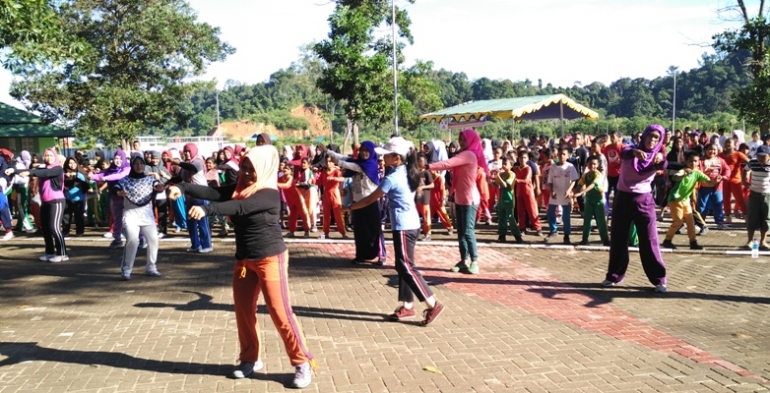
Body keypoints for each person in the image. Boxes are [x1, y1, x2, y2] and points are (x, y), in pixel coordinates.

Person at [168, 145, 316, 387]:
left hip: (270, 258)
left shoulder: (268, 192)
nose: (247, 173)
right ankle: (250, 359)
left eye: (252, 169)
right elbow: (213, 192)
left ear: (265, 168)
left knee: (281, 314)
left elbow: (239, 207)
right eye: (245, 167)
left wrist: (206, 210)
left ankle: (302, 362)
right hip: (244, 260)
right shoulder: (240, 187)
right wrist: (181, 186)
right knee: (243, 312)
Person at [345, 137, 445, 325]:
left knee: (406, 266)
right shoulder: (407, 171)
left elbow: (369, 199)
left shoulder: (393, 177)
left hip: (404, 226)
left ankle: (433, 304)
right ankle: (407, 306)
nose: (382, 158)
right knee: (403, 266)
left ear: (397, 158)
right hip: (411, 224)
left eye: (386, 156)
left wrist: (349, 208)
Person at [602, 124, 668, 293]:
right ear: (643, 136)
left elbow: (663, 164)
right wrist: (634, 153)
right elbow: (624, 153)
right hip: (623, 199)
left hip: (644, 201)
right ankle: (613, 276)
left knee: (649, 240)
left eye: (656, 138)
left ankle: (659, 279)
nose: (652, 140)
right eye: (650, 136)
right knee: (618, 239)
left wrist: (660, 159)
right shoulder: (629, 150)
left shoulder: (657, 156)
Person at [428, 129, 487, 275]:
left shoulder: (469, 155)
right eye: (460, 139)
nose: (461, 142)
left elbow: (448, 164)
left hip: (470, 199)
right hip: (460, 198)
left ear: (471, 141)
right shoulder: (463, 153)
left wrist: (428, 166)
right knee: (461, 232)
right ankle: (463, 260)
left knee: (467, 231)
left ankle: (474, 261)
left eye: (464, 140)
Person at [325, 142, 386, 265]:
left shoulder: (370, 164)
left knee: (375, 230)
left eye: (366, 150)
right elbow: (343, 157)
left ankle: (381, 255)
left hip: (371, 202)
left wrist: (337, 162)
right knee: (360, 231)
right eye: (362, 150)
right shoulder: (357, 162)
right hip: (358, 202)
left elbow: (351, 166)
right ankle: (362, 255)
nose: (364, 153)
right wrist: (328, 152)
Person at [5, 148, 68, 262]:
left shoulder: (57, 169)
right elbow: (28, 170)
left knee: (54, 228)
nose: (48, 158)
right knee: (45, 228)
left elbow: (43, 173)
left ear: (55, 157)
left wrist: (29, 172)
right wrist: (13, 170)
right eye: (46, 155)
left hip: (57, 201)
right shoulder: (42, 167)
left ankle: (62, 254)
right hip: (45, 202)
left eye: (51, 155)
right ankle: (50, 253)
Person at [115, 155, 166, 280]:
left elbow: (157, 186)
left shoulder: (150, 179)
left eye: (141, 163)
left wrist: (160, 188)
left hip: (147, 214)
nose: (139, 166)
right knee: (133, 240)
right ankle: (126, 270)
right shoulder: (124, 180)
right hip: (130, 214)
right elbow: (116, 188)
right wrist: (119, 193)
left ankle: (151, 267)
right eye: (136, 163)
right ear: (132, 165)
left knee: (153, 239)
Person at [662, 151, 721, 250]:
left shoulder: (697, 172)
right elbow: (675, 178)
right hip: (675, 200)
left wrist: (715, 181)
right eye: (690, 161)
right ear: (686, 161)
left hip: (685, 201)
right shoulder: (683, 170)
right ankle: (667, 241)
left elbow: (709, 182)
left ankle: (693, 242)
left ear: (698, 162)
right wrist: (684, 175)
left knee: (690, 222)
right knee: (678, 222)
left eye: (695, 161)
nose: (693, 163)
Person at [90, 151, 131, 249]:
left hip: (128, 198)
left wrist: (105, 178)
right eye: (116, 158)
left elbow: (120, 175)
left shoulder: (128, 168)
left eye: (120, 158)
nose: (117, 160)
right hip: (115, 197)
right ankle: (117, 239)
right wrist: (91, 176)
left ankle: (140, 239)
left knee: (131, 220)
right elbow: (100, 175)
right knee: (117, 219)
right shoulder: (111, 169)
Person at [178, 143, 213, 253]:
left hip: (200, 195)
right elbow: (178, 178)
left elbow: (192, 168)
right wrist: (164, 178)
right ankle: (195, 245)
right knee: (191, 221)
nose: (187, 154)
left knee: (202, 221)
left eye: (189, 151)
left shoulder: (198, 161)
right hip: (189, 196)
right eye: (185, 152)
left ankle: (206, 245)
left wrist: (177, 162)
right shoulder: (184, 166)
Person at [545, 147, 579, 244]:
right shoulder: (553, 167)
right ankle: (553, 230)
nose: (561, 156)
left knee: (566, 215)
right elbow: (550, 181)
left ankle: (567, 235)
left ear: (568, 156)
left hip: (565, 194)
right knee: (551, 212)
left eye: (564, 154)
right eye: (560, 154)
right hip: (555, 193)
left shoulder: (570, 167)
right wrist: (552, 190)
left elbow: (574, 180)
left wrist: (569, 190)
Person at [574, 156, 609, 246]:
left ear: (597, 165)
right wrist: (573, 193)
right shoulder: (585, 175)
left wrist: (581, 192)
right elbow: (579, 185)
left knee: (601, 221)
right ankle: (585, 239)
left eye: (594, 164)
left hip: (598, 200)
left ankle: (605, 240)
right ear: (587, 165)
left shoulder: (598, 174)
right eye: (590, 164)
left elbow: (593, 184)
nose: (592, 166)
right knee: (587, 220)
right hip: (589, 200)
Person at [696, 143, 731, 231]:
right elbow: (697, 170)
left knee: (718, 204)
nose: (712, 151)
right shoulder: (701, 161)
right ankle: (700, 222)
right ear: (706, 150)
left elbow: (727, 169)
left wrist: (724, 176)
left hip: (717, 187)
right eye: (710, 149)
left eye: (714, 149)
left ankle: (720, 222)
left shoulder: (720, 160)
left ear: (718, 151)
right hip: (704, 186)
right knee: (702, 206)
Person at [494, 157, 524, 243]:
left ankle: (517, 236)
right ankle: (502, 235)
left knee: (511, 218)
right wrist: (490, 179)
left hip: (509, 200)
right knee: (501, 218)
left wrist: (498, 176)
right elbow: (496, 184)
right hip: (501, 200)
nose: (503, 165)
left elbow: (505, 185)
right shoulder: (502, 174)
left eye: (505, 164)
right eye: (502, 163)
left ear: (511, 165)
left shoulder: (512, 174)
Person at [318, 155, 347, 239]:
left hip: (335, 193)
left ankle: (343, 233)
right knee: (326, 215)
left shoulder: (336, 171)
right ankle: (326, 232)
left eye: (330, 161)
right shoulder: (323, 172)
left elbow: (342, 179)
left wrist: (334, 178)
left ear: (333, 163)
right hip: (326, 194)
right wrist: (312, 180)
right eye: (327, 161)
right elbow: (318, 181)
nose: (328, 163)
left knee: (338, 214)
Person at [513, 150, 542, 236]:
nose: (522, 159)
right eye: (521, 158)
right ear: (518, 159)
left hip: (528, 192)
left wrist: (516, 180)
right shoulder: (516, 168)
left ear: (528, 159)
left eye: (524, 158)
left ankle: (538, 228)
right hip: (519, 193)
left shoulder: (528, 168)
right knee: (520, 211)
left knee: (532, 211)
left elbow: (526, 180)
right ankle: (522, 228)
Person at [720, 139, 749, 220]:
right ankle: (728, 216)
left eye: (730, 142)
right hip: (724, 180)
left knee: (739, 198)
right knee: (726, 199)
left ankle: (746, 215)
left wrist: (746, 172)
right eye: (726, 142)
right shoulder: (720, 155)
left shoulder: (738, 154)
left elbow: (749, 162)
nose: (728, 144)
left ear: (734, 145)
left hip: (736, 180)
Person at [62, 157, 88, 237]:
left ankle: (80, 231)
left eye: (73, 163)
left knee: (78, 216)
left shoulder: (80, 172)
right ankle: (65, 231)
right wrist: (65, 175)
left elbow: (84, 180)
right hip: (67, 198)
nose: (72, 165)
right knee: (66, 216)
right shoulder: (64, 173)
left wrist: (75, 174)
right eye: (70, 163)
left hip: (79, 199)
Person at [415, 154, 434, 241]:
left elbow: (432, 185)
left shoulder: (427, 173)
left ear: (425, 162)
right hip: (416, 198)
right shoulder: (415, 172)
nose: (420, 163)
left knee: (426, 217)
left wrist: (422, 187)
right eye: (418, 161)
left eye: (422, 161)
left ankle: (428, 233)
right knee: (415, 217)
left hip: (424, 198)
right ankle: (416, 232)